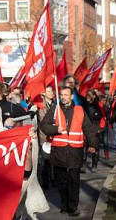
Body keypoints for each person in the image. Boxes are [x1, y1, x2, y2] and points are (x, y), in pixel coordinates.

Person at [40, 85, 99, 217]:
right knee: (61, 180)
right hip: (58, 151)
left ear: (72, 97)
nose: (63, 97)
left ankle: (73, 207)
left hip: (75, 151)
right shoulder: (54, 110)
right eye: (61, 95)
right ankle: (64, 205)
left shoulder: (79, 110)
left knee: (73, 179)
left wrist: (93, 144)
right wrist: (56, 130)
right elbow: (43, 125)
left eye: (66, 95)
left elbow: (88, 128)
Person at [84, 89, 103, 172]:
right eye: (87, 95)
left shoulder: (98, 105)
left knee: (95, 149)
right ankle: (83, 165)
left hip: (95, 129)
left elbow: (104, 117)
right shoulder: (84, 105)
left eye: (90, 95)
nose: (88, 97)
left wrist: (100, 128)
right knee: (84, 148)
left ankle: (94, 165)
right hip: (85, 128)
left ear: (94, 96)